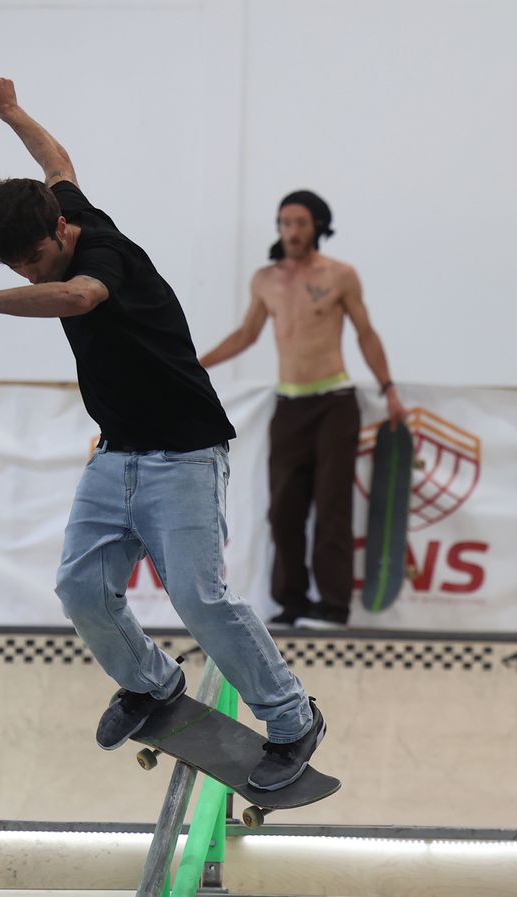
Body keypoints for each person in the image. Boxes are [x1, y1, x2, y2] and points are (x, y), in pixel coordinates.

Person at [0, 70, 324, 790]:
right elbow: (57, 162)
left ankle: (293, 718)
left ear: (62, 230)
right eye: (14, 270)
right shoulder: (60, 203)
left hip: (186, 454)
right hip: (116, 454)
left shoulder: (102, 255)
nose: (31, 276)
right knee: (79, 586)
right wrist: (10, 109)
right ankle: (152, 682)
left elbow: (76, 296)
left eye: (34, 262)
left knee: (199, 598)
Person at [200, 191, 405, 628]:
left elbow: (366, 333)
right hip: (288, 404)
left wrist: (389, 388)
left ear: (317, 227)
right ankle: (290, 601)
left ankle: (333, 605)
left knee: (332, 506)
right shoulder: (265, 280)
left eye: (299, 223)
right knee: (284, 508)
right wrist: (195, 364)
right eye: (284, 223)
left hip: (334, 402)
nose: (291, 231)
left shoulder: (340, 276)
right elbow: (246, 334)